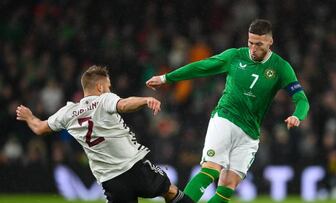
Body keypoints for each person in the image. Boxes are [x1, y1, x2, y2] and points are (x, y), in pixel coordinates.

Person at [146, 19, 310, 202]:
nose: (253, 48)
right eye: (250, 43)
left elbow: (302, 100)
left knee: (228, 186)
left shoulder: (281, 67)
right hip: (226, 118)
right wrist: (167, 78)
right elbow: (201, 67)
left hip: (250, 133)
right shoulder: (235, 56)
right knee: (211, 169)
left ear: (270, 41)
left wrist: (297, 115)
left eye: (258, 44)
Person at [16, 65, 193, 203]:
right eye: (108, 86)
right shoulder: (103, 100)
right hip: (133, 168)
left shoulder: (67, 112)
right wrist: (145, 100)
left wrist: (28, 116)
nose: (109, 90)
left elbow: (39, 127)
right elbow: (124, 104)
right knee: (170, 191)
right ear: (100, 87)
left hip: (110, 180)